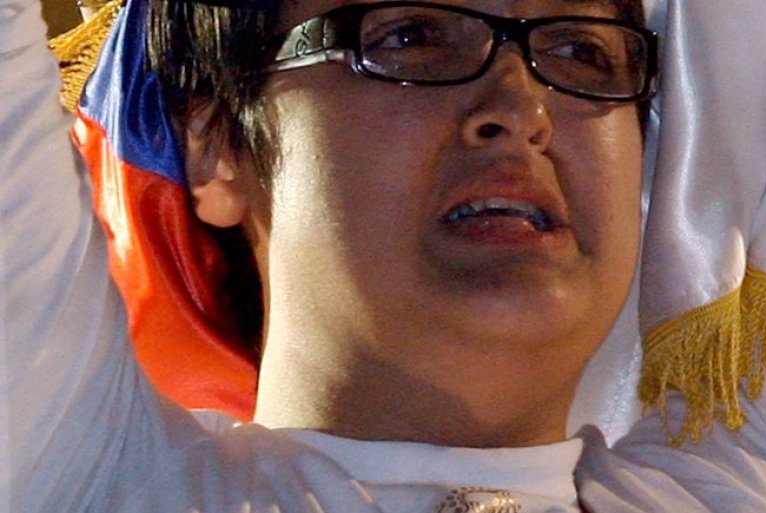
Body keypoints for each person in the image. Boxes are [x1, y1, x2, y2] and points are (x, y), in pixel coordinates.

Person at [4, 0, 657, 511]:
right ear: (215, 141)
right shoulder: (81, 476)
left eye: (582, 52)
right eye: (412, 36)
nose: (520, 108)